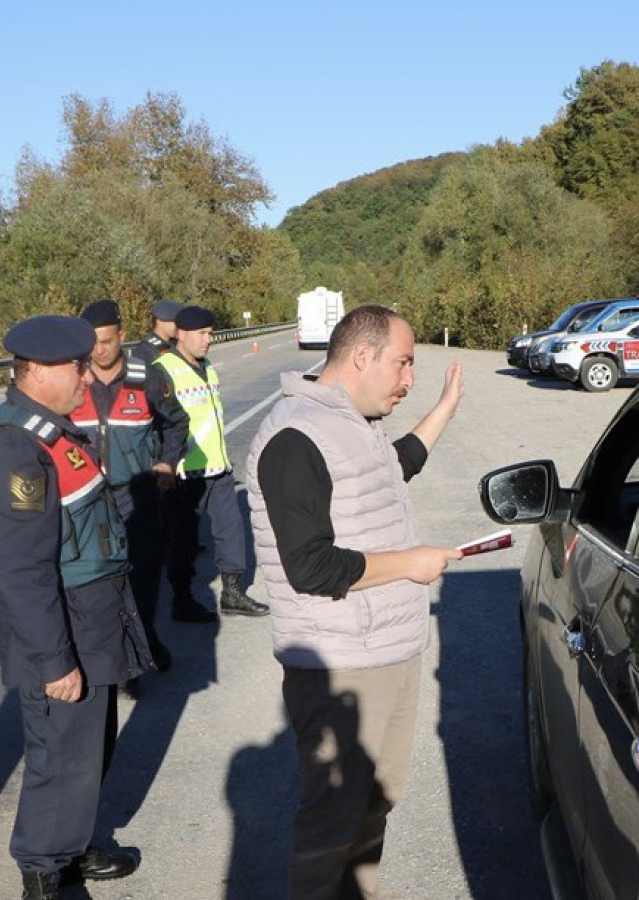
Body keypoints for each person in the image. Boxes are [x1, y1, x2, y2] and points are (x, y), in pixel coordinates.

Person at [245, 304, 465, 899]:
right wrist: (410, 564)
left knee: (375, 806)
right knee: (332, 820)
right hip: (341, 662)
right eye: (403, 363)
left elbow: (391, 471)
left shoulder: (354, 424)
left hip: (389, 652)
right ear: (361, 356)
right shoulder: (295, 437)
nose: (408, 379)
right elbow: (309, 566)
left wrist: (442, 412)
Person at [0, 315, 147, 900]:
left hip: (95, 611)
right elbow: (20, 568)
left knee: (90, 743)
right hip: (61, 620)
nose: (86, 376)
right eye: (76, 366)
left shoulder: (54, 430)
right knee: (60, 749)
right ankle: (44, 869)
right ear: (38, 370)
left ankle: (72, 839)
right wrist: (53, 660)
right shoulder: (14, 447)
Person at [73, 299, 176, 671]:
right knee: (99, 581)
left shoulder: (146, 374)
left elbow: (175, 423)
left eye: (107, 341)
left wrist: (167, 461)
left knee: (143, 575)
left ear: (122, 335)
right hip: (89, 500)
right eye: (92, 344)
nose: (99, 351)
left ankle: (145, 641)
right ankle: (113, 656)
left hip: (137, 494)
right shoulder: (75, 378)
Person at [149, 304, 268, 619]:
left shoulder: (207, 366)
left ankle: (232, 592)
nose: (208, 340)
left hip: (218, 467)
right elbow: (156, 425)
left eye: (211, 333)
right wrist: (165, 465)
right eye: (202, 334)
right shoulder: (162, 370)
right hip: (185, 474)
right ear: (182, 334)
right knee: (184, 542)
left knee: (231, 531)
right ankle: (182, 599)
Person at [129, 298, 182, 366]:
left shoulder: (176, 345)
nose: (179, 326)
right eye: (174, 322)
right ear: (159, 322)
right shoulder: (145, 350)